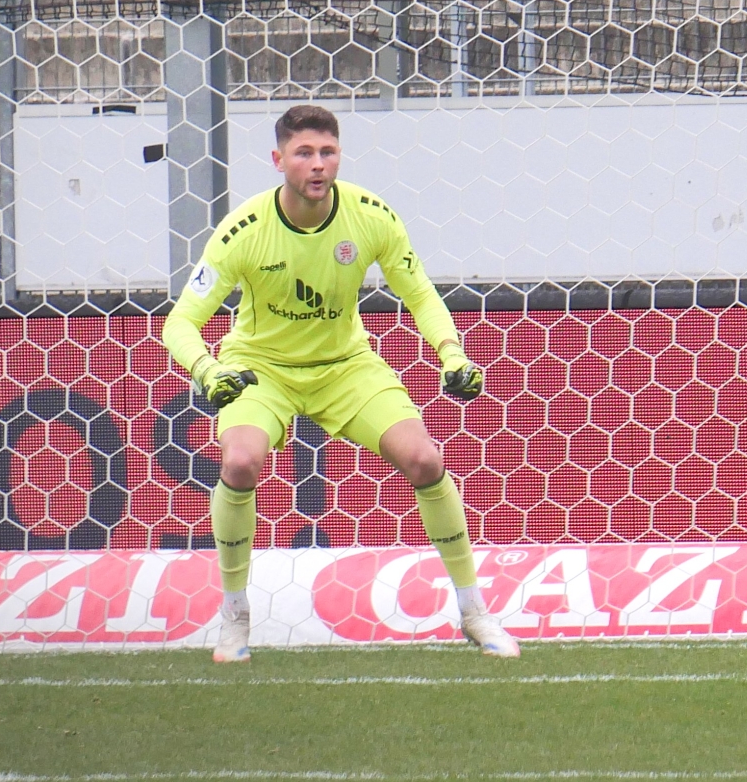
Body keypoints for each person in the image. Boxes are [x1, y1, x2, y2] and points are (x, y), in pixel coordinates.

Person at [161, 103, 519, 662]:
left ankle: (474, 611)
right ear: (278, 159)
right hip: (262, 368)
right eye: (304, 153)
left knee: (425, 459)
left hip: (346, 367)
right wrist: (209, 370)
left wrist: (452, 353)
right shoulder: (243, 230)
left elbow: (420, 294)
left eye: (327, 152)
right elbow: (180, 322)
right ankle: (234, 618)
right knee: (240, 463)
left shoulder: (371, 216)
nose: (318, 164)